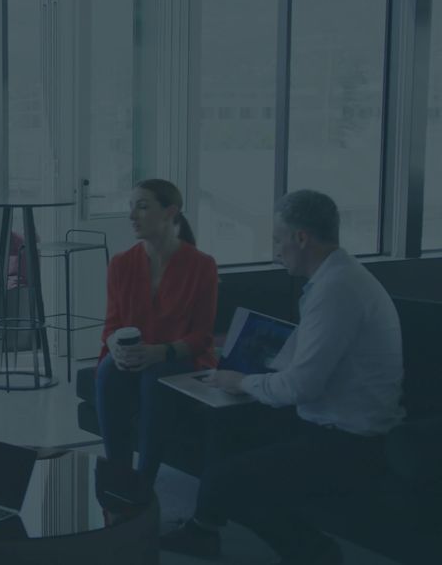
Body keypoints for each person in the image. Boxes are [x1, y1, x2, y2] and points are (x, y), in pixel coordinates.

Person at [161, 190, 405, 564]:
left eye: (278, 240)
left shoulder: (337, 290)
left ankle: (315, 552)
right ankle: (203, 529)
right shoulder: (336, 279)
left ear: (301, 238)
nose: (275, 250)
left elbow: (300, 386)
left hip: (348, 440)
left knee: (230, 480)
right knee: (223, 423)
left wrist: (240, 382)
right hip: (325, 419)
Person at [96, 178, 218, 500]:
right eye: (131, 207)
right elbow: (111, 327)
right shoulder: (121, 264)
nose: (132, 216)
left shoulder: (202, 266)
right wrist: (115, 350)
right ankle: (119, 476)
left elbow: (202, 337)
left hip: (178, 358)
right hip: (135, 356)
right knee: (108, 370)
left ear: (170, 212)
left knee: (156, 376)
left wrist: (161, 351)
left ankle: (142, 485)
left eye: (143, 206)